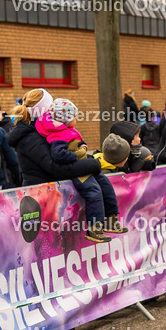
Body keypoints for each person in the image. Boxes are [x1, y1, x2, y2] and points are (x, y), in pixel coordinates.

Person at [35, 98, 126, 243]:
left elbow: (77, 141)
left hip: (84, 164)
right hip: (78, 169)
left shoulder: (67, 129)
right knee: (94, 191)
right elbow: (58, 155)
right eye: (74, 117)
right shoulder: (58, 134)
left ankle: (111, 219)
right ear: (66, 119)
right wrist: (78, 154)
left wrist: (83, 146)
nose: (76, 119)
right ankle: (95, 228)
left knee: (105, 184)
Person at [7, 88, 106, 195]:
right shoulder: (30, 137)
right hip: (40, 196)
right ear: (45, 110)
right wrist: (94, 164)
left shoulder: (44, 130)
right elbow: (57, 168)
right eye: (51, 107)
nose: (54, 110)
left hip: (49, 193)